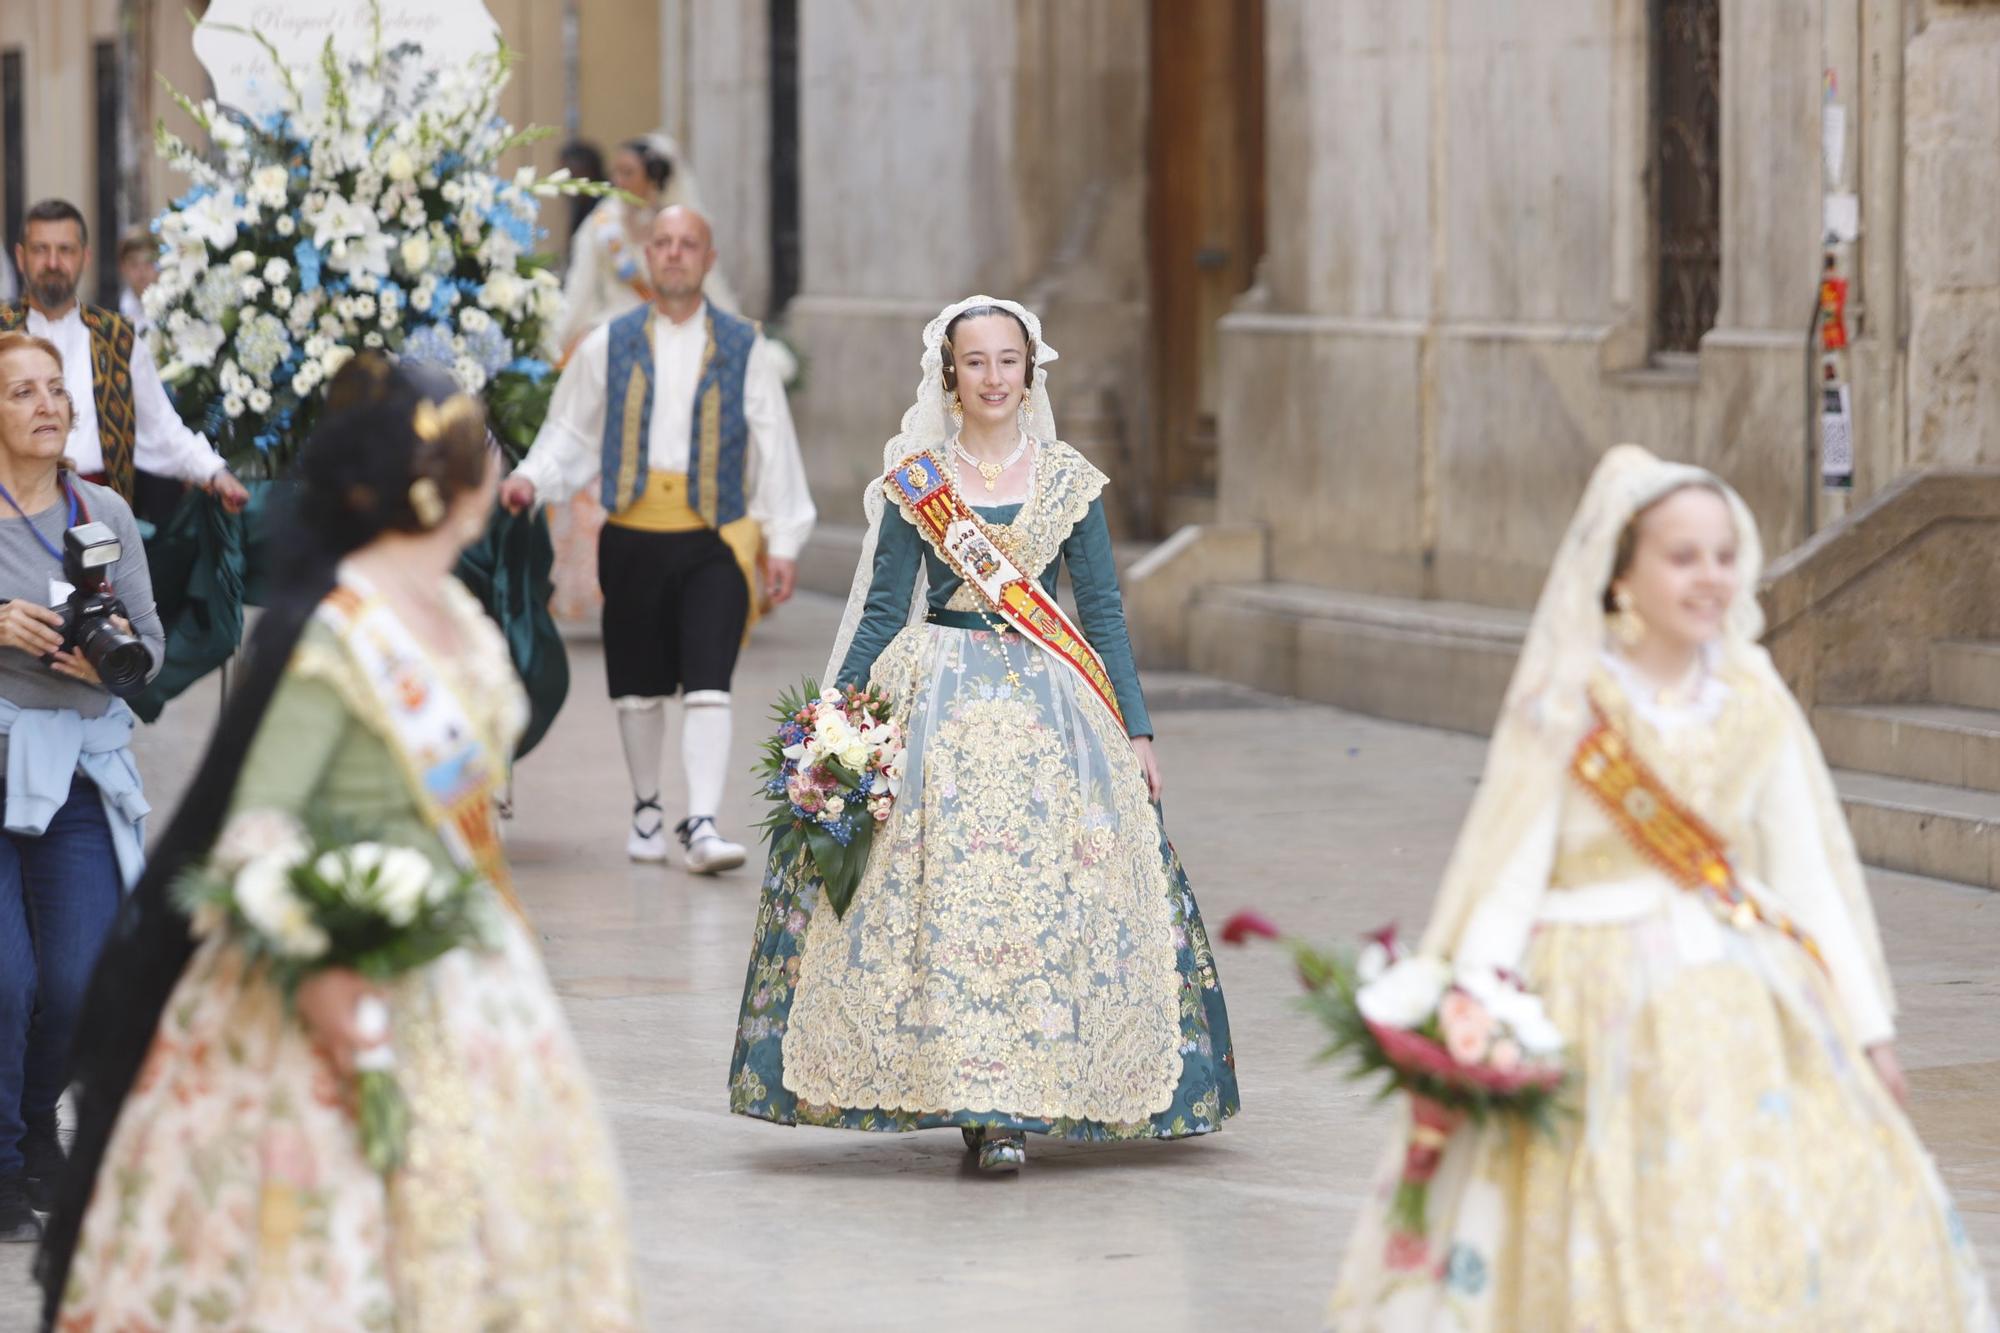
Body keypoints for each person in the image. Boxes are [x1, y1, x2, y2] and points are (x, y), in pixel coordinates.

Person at [1327, 446, 1997, 1330]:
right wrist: (1476, 1016)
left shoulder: (1755, 699)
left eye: (1723, 554)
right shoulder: (1568, 704)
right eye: (1683, 556)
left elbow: (1806, 876)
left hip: (1746, 1002)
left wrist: (1870, 1031)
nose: (1710, 575)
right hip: (1587, 1003)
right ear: (1620, 576)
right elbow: (1509, 877)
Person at [36, 356, 640, 1329]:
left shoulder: (450, 612)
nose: (495, 468)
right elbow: (259, 830)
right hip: (331, 972)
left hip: (464, 967)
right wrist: (327, 978)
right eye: (477, 452)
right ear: (439, 486)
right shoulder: (336, 637)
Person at [726, 296, 1239, 1173]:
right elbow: (886, 609)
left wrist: (1138, 730)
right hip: (937, 712)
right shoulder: (918, 482)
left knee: (1042, 895)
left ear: (1029, 373)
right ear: (950, 376)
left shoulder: (1071, 479)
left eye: (1010, 361)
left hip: (1053, 716)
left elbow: (1104, 614)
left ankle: (1026, 1092)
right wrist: (835, 722)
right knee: (945, 902)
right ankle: (974, 1096)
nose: (994, 377)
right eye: (977, 362)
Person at [502, 205, 814, 872]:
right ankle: (647, 807)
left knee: (710, 680)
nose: (674, 254)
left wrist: (782, 540)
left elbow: (773, 441)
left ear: (710, 258)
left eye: (688, 244)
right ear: (648, 257)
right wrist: (532, 479)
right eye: (663, 243)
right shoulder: (606, 344)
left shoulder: (743, 345)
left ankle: (700, 821)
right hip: (631, 535)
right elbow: (572, 432)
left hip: (714, 537)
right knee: (638, 687)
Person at [0, 331, 161, 1242]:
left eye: (55, 389)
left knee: (77, 977)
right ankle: (5, 1156)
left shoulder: (103, 511)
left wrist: (104, 668)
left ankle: (31, 1135)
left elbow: (152, 649)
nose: (46, 405)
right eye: (21, 393)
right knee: (5, 981)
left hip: (73, 777)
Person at [543, 135, 755, 625]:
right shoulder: (601, 226)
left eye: (628, 173)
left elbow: (712, 290)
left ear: (654, 178)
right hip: (615, 346)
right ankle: (609, 581)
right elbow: (577, 293)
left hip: (676, 345)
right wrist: (555, 347)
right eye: (614, 172)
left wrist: (749, 347)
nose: (617, 182)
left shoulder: (679, 229)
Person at [2, 200, 248, 526]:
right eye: (40, 250)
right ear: (21, 257)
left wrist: (213, 472)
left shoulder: (117, 337)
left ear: (85, 258)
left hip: (99, 516)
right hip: (10, 515)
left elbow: (162, 428)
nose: (52, 262)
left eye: (65, 250)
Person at [112, 228, 156, 333]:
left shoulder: (174, 311)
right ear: (122, 267)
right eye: (134, 264)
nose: (142, 272)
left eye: (149, 262)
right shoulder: (108, 314)